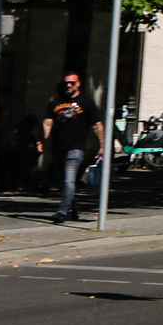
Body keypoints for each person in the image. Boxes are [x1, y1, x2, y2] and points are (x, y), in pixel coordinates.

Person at [41, 72, 103, 222]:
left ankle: (62, 212)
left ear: (78, 84)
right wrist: (42, 139)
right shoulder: (55, 103)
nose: (68, 85)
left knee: (69, 180)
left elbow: (97, 125)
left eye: (72, 83)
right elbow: (48, 122)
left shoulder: (86, 103)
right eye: (66, 83)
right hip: (58, 148)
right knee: (63, 182)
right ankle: (72, 210)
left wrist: (102, 145)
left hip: (76, 148)